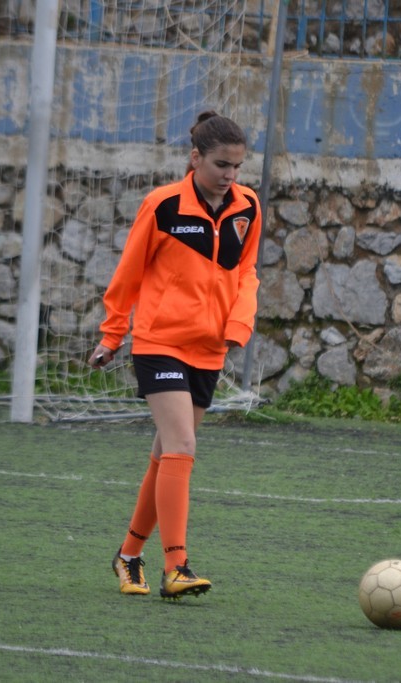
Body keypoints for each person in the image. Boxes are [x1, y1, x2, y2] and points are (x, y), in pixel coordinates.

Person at [90, 111, 262, 599]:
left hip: (209, 349)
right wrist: (112, 334)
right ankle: (176, 567)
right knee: (182, 445)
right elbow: (128, 274)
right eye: (221, 164)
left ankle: (128, 556)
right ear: (195, 158)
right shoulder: (162, 205)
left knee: (166, 454)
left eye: (237, 166)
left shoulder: (248, 206)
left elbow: (247, 272)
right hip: (159, 342)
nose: (230, 175)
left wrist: (239, 324)